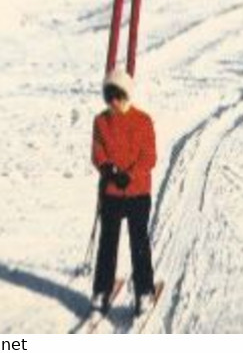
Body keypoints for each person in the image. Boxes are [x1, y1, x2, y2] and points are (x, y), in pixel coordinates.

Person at [91, 69, 157, 318]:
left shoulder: (143, 120)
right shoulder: (100, 121)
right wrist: (107, 167)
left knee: (139, 243)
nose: (114, 103)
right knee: (107, 244)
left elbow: (149, 157)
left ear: (126, 95)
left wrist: (129, 175)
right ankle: (101, 290)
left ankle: (144, 292)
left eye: (117, 97)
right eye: (109, 97)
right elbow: (97, 152)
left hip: (138, 192)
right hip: (111, 193)